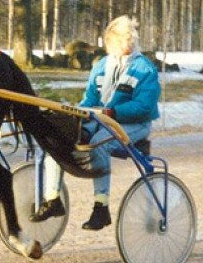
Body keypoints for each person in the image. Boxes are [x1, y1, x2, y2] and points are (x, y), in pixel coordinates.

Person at [29, 15, 161, 230]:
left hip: (134, 124)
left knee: (100, 142)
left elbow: (144, 107)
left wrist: (113, 111)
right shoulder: (101, 67)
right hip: (102, 118)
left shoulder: (145, 69)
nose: (127, 44)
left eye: (130, 39)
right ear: (110, 42)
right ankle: (53, 199)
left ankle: (101, 207)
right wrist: (77, 112)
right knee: (57, 137)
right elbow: (90, 99)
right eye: (121, 40)